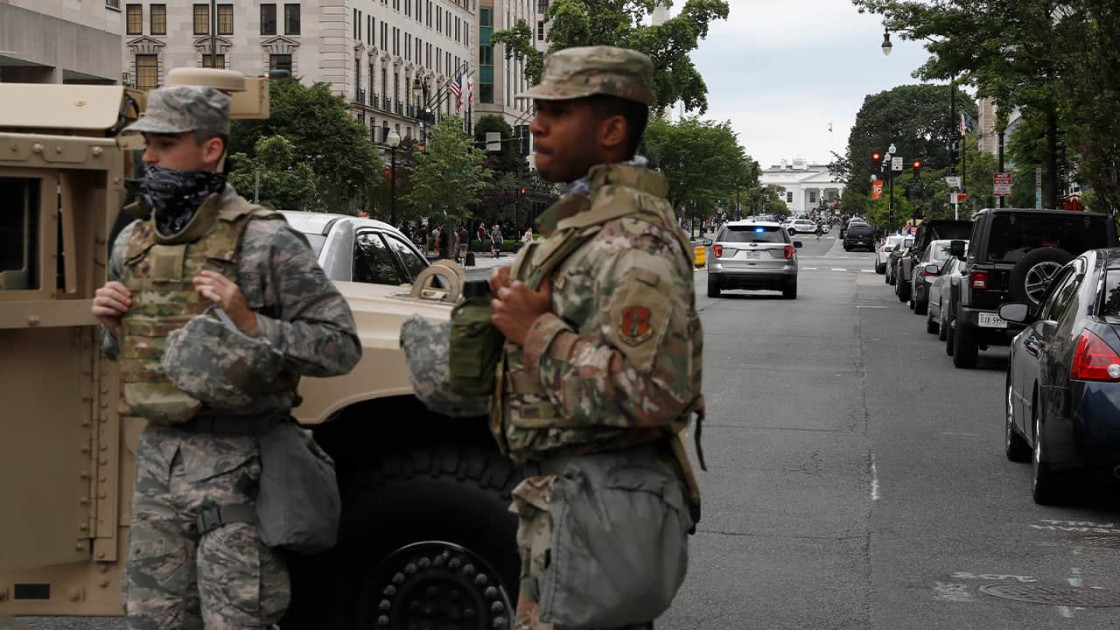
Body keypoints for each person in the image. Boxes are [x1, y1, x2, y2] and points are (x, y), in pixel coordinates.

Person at [90, 84, 362, 628]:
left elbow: (340, 346)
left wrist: (250, 322)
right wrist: (111, 325)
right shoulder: (133, 243)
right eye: (147, 145)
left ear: (210, 150)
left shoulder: (265, 241)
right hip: (158, 462)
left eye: (165, 144)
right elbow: (136, 351)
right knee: (152, 619)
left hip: (237, 468)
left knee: (239, 620)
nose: (149, 158)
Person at [488, 46, 704, 630]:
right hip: (567, 505)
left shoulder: (635, 244)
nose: (535, 125)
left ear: (611, 130)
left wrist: (536, 331)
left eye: (557, 113)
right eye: (538, 109)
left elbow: (656, 392)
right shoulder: (584, 227)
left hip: (597, 515)